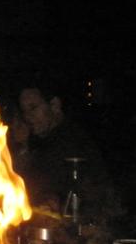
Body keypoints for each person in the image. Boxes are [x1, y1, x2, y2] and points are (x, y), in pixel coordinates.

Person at [17, 78, 118, 220]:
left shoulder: (75, 142)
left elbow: (95, 194)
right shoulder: (38, 143)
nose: (27, 117)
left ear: (54, 105)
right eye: (24, 111)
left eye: (33, 108)